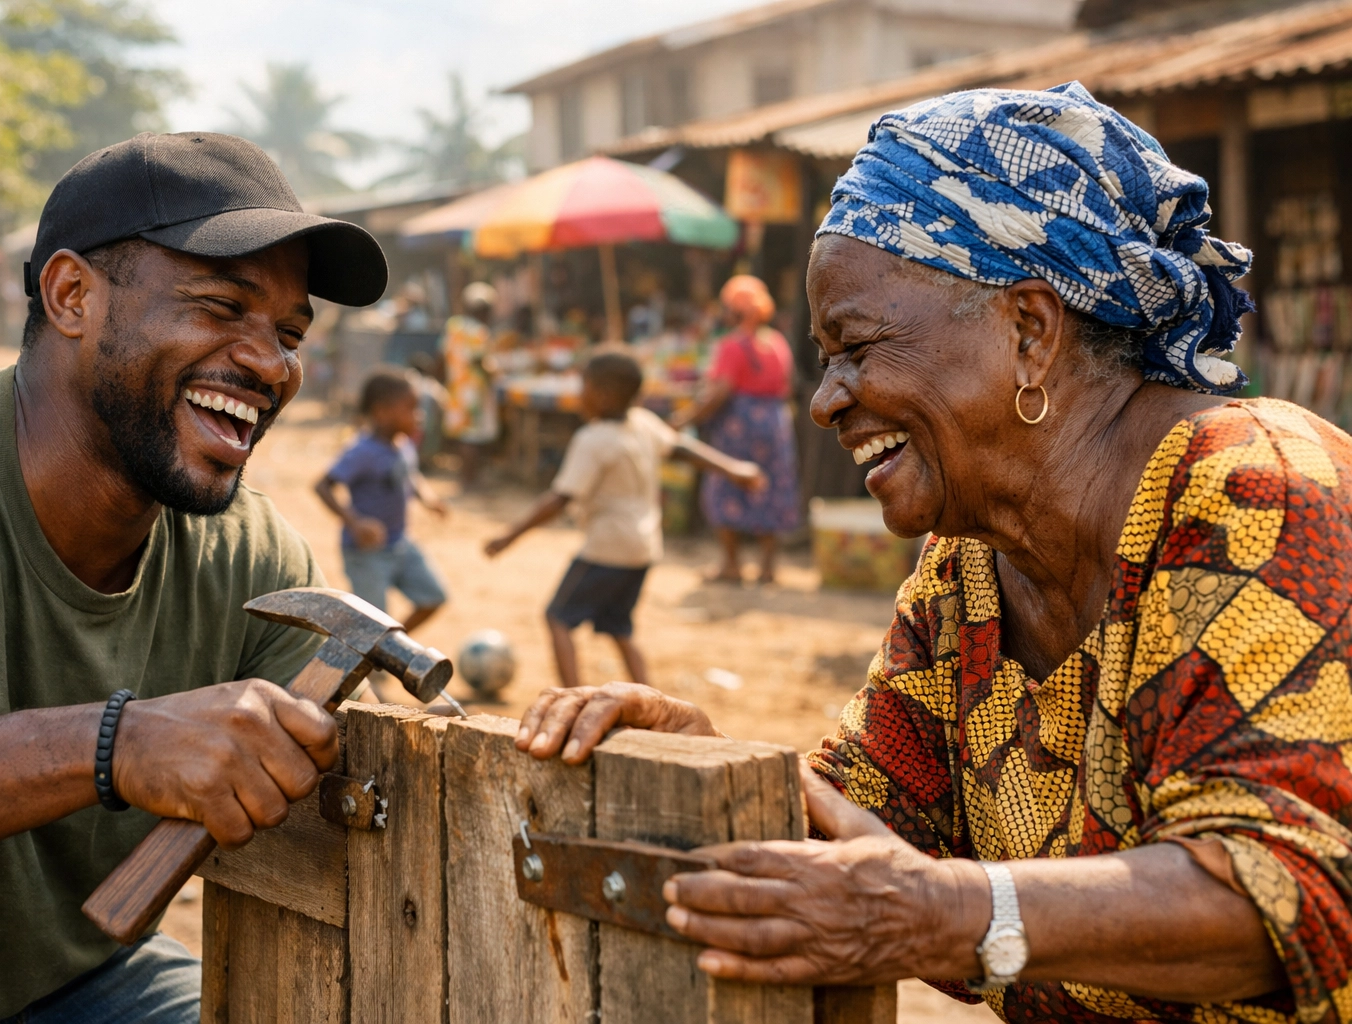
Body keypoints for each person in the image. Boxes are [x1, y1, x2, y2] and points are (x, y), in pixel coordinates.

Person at [510, 83, 1352, 1022]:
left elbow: (1288, 893)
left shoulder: (1255, 484)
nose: (827, 399)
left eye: (856, 347)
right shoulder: (969, 566)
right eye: (824, 359)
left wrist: (947, 915)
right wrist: (721, 774)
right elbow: (874, 826)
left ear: (1029, 330)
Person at [0, 131, 388, 1023]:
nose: (271, 364)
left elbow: (395, 778)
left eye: (288, 333)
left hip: (81, 981)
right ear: (73, 295)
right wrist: (116, 747)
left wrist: (619, 750)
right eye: (219, 306)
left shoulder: (247, 553)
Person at [485, 351, 765, 688]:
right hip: (644, 549)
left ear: (602, 395)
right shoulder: (643, 422)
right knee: (619, 628)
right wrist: (733, 468)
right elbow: (680, 449)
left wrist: (509, 536)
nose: (579, 394)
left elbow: (559, 499)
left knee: (557, 618)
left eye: (583, 386)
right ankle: (648, 698)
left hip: (607, 548)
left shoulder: (592, 440)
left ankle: (573, 696)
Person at [673, 275, 802, 584]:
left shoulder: (731, 345)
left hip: (738, 425)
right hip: (775, 422)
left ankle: (731, 565)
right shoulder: (777, 342)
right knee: (769, 488)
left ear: (735, 311)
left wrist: (684, 419)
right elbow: (788, 386)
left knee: (725, 484)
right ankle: (768, 567)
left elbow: (720, 392)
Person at [315, 368, 449, 634]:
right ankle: (375, 658)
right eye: (411, 408)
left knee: (434, 597)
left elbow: (410, 475)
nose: (418, 416)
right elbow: (322, 486)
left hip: (400, 543)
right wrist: (355, 522)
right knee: (371, 625)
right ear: (382, 411)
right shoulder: (362, 451)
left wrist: (428, 498)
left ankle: (389, 646)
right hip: (367, 553)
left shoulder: (404, 444)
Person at [441, 281, 500, 489]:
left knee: (464, 436)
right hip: (474, 392)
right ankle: (469, 480)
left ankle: (466, 478)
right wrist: (495, 374)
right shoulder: (478, 332)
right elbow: (480, 362)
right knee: (472, 438)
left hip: (457, 389)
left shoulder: (454, 326)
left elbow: (443, 355)